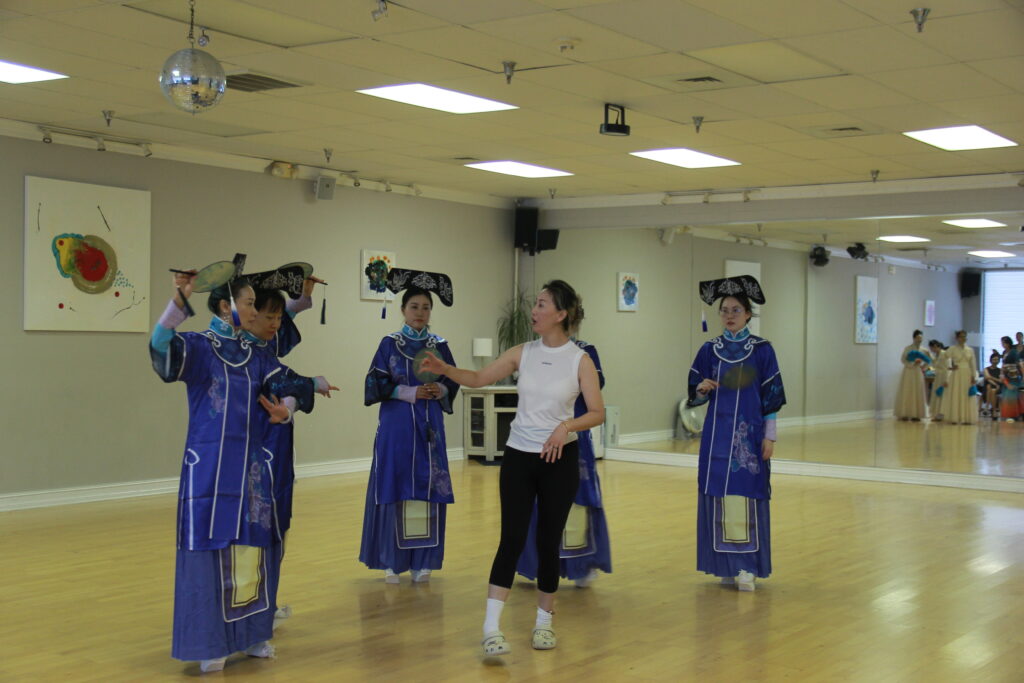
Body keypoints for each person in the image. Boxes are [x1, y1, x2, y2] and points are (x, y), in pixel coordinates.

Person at [150, 255, 334, 673]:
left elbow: (286, 382)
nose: (255, 312)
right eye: (250, 303)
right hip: (210, 470)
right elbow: (160, 348)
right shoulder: (199, 348)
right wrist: (178, 303)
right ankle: (210, 641)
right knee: (210, 550)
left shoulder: (257, 354)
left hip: (253, 470)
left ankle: (252, 635)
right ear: (224, 306)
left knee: (253, 547)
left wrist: (292, 405)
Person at [419, 280, 604, 656]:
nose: (534, 310)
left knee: (548, 542)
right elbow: (478, 380)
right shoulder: (523, 352)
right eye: (535, 303)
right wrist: (444, 368)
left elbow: (597, 412)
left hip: (559, 460)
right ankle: (491, 628)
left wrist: (566, 427)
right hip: (519, 456)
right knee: (512, 539)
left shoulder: (580, 360)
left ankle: (544, 624)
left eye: (542, 304)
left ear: (561, 314)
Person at [687, 276, 786, 593]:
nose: (729, 315)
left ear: (748, 314)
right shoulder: (709, 350)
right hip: (716, 438)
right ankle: (724, 566)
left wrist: (769, 436)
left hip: (749, 437)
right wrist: (701, 389)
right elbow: (694, 391)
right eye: (724, 310)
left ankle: (747, 566)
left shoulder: (762, 350)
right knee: (717, 494)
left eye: (736, 310)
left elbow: (772, 396)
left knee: (747, 494)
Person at [361, 271, 459, 584]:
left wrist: (439, 390)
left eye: (426, 307)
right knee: (394, 483)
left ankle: (423, 559)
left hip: (430, 425)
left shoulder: (439, 346)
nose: (420, 312)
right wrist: (409, 392)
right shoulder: (389, 344)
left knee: (429, 485)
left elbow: (452, 380)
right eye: (414, 306)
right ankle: (391, 560)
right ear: (403, 309)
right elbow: (374, 384)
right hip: (397, 425)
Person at [241, 271, 324, 626]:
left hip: (276, 443)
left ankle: (267, 599)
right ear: (247, 313)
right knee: (253, 526)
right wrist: (311, 384)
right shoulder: (241, 352)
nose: (276, 323)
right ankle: (250, 605)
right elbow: (288, 382)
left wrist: (302, 297)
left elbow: (286, 383)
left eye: (278, 317)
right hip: (253, 446)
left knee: (276, 524)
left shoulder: (265, 347)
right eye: (268, 315)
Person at [515, 336, 611, 588]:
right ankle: (538, 563)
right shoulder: (533, 350)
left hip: (573, 431)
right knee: (536, 495)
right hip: (538, 433)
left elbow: (595, 387)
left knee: (578, 493)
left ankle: (580, 564)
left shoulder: (585, 352)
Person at [943, 330, 979, 425]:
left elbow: (973, 364)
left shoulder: (970, 350)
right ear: (957, 338)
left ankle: (966, 417)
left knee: (966, 394)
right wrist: (950, 367)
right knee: (956, 394)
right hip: (957, 374)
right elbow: (943, 358)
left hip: (967, 374)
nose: (963, 338)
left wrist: (973, 376)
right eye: (961, 336)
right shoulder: (952, 349)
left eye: (964, 336)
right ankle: (955, 417)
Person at [894, 330, 928, 421]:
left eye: (921, 338)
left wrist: (923, 367)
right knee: (907, 390)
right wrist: (913, 363)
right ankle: (905, 413)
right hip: (909, 371)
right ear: (914, 338)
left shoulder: (924, 350)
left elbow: (928, 360)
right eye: (918, 338)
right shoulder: (908, 348)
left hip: (918, 371)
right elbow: (903, 360)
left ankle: (916, 415)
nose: (919, 340)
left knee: (917, 391)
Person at [999, 336, 1024, 423]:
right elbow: (1003, 365)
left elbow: (1019, 364)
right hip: (1006, 376)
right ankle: (1009, 415)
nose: (1002, 344)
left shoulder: (1014, 352)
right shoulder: (1005, 352)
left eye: (1004, 343)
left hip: (1014, 377)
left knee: (1012, 396)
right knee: (1007, 397)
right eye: (1002, 343)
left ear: (1008, 343)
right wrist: (1001, 374)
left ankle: (1013, 415)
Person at [927, 340, 949, 422]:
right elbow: (935, 364)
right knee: (937, 395)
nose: (932, 350)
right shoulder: (937, 355)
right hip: (938, 376)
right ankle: (937, 414)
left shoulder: (944, 354)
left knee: (943, 395)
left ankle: (942, 414)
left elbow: (948, 367)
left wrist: (947, 379)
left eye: (932, 348)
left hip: (944, 376)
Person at [982, 350, 1002, 419]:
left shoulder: (1000, 370)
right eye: (994, 359)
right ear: (990, 360)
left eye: (997, 360)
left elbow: (1000, 380)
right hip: (990, 386)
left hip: (998, 387)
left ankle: (987, 407)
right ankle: (994, 411)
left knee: (991, 388)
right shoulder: (986, 369)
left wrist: (992, 377)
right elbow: (987, 378)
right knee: (989, 387)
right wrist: (995, 384)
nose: (995, 361)